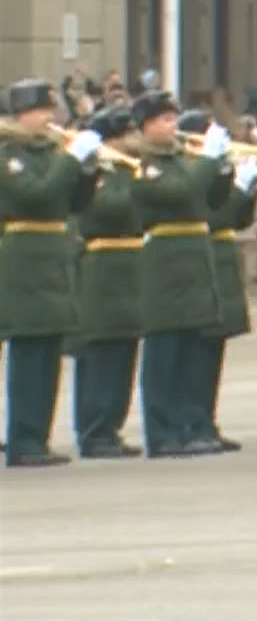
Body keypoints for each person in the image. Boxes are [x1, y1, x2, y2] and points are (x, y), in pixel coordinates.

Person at [128, 91, 233, 458]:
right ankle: (162, 433)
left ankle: (189, 426)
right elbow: (181, 191)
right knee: (164, 353)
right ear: (146, 125)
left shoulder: (181, 159)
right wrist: (207, 161)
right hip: (165, 261)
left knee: (191, 352)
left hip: (193, 259)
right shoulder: (144, 162)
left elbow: (212, 200)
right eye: (165, 119)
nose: (173, 126)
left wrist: (223, 168)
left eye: (174, 118)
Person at [0, 79, 96, 467]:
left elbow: (74, 203)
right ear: (22, 113)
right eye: (42, 110)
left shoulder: (51, 152)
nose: (50, 118)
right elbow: (35, 195)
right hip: (23, 258)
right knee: (28, 352)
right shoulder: (9, 153)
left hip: (53, 256)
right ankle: (23, 439)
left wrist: (87, 171)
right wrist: (71, 160)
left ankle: (38, 435)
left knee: (48, 353)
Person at [178, 109, 257, 452]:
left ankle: (206, 421)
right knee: (197, 355)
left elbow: (237, 220)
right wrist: (238, 189)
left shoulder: (210, 170)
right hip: (204, 255)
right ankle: (192, 421)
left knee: (214, 353)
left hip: (223, 260)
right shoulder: (191, 171)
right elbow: (211, 213)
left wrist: (248, 190)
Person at [70, 108, 143, 459]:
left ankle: (111, 426)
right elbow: (107, 208)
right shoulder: (97, 171)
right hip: (102, 268)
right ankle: (94, 430)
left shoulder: (129, 170)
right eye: (126, 135)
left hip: (130, 267)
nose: (132, 141)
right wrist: (143, 185)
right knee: (101, 353)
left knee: (124, 352)